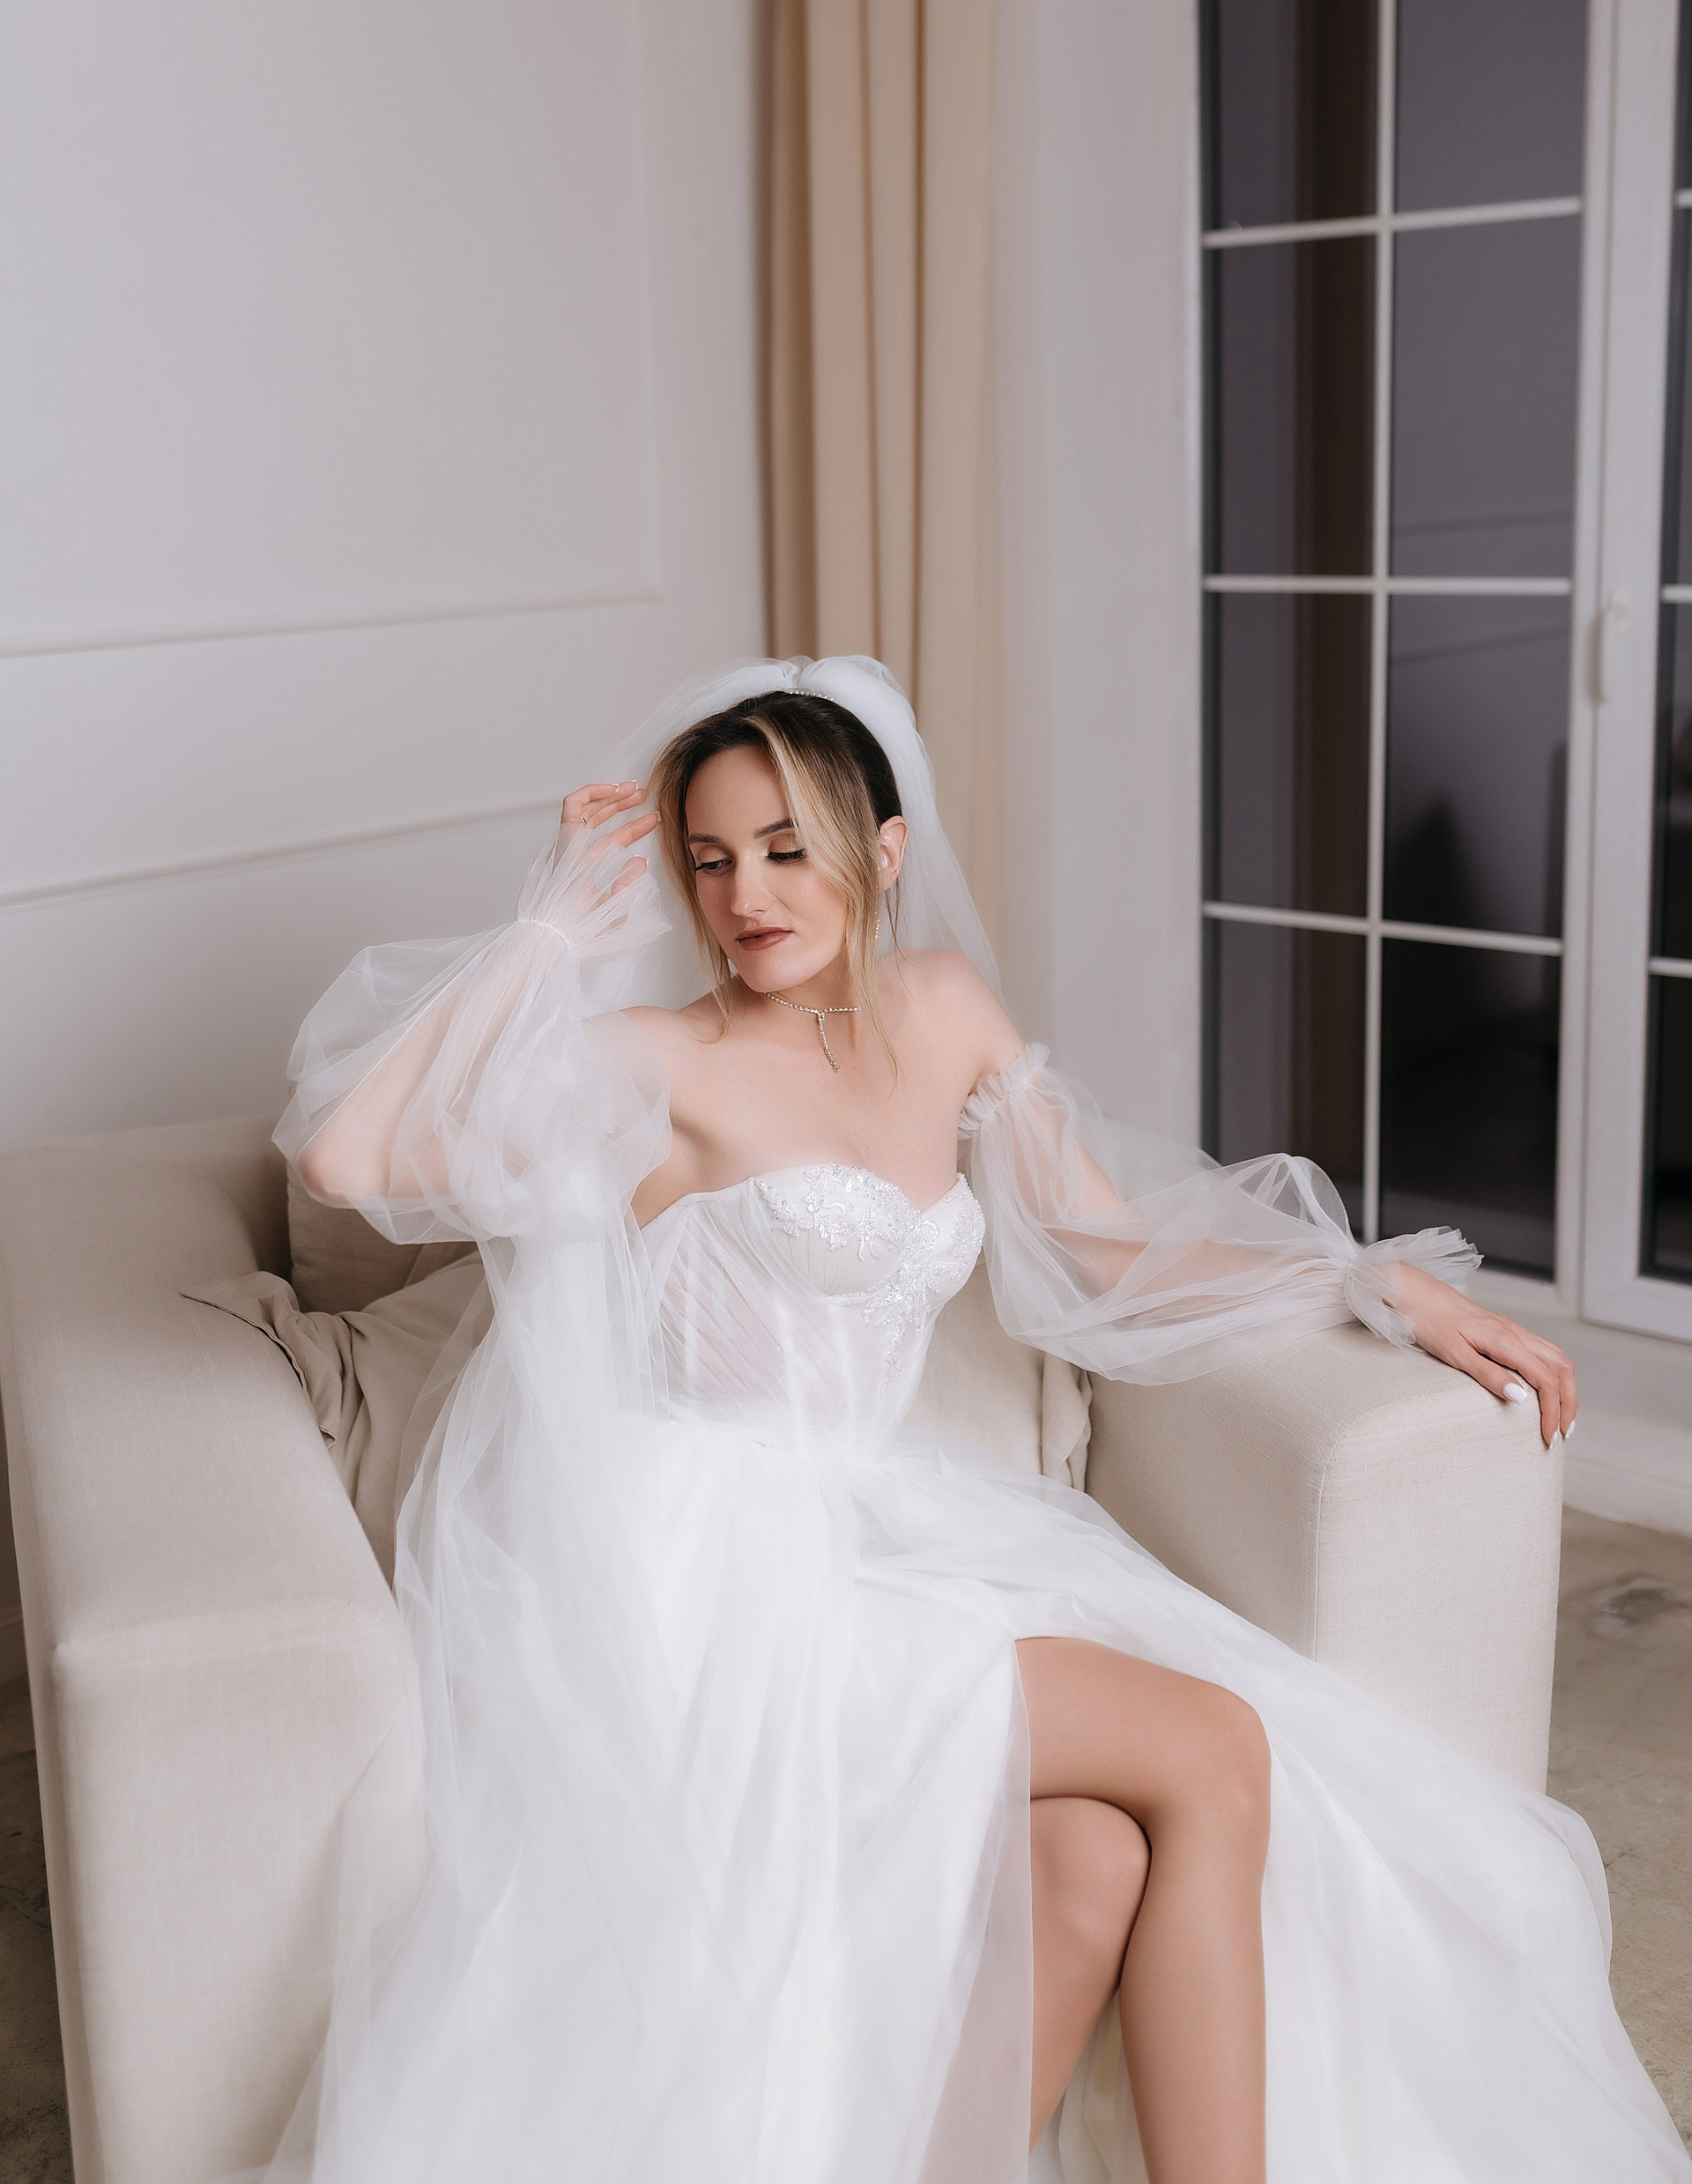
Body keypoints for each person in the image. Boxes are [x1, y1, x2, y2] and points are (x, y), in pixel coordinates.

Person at [263, 656, 1688, 2184]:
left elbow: (1102, 1244)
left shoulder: (941, 1012)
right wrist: (546, 930)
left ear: (884, 851)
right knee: (1214, 1745)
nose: (747, 896)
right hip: (710, 1585)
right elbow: (347, 1159)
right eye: (710, 858)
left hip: (876, 1532)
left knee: (1089, 1858)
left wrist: (1364, 1283)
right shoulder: (659, 1063)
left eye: (788, 848)